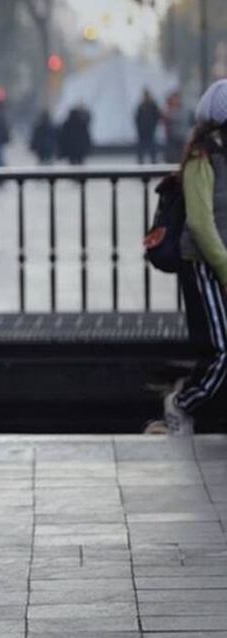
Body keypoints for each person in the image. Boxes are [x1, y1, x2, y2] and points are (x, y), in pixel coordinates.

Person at [160, 80, 227, 434]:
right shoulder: (203, 157)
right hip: (203, 265)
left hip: (220, 264)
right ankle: (181, 403)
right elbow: (200, 223)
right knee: (222, 350)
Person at [135, 89, 161, 164]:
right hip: (142, 130)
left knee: (152, 145)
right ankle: (141, 159)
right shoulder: (141, 106)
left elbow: (157, 116)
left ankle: (153, 159)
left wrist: (154, 125)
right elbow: (137, 118)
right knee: (141, 146)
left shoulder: (153, 105)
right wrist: (139, 127)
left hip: (150, 129)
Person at [163, 91, 190, 164]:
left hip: (181, 137)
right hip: (171, 137)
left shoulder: (183, 109)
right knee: (171, 158)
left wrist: (169, 114)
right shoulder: (169, 108)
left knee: (180, 157)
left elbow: (181, 117)